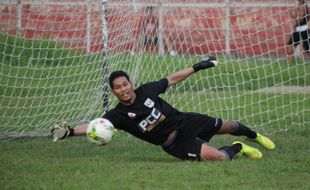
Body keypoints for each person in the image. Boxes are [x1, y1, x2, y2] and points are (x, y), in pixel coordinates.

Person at [51, 56, 275, 161]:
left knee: (229, 125)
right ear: (113, 92)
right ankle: (238, 147)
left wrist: (198, 67)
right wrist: (69, 131)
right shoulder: (116, 115)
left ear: (131, 84)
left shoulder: (147, 90)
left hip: (185, 121)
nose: (123, 89)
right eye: (117, 88)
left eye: (125, 84)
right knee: (220, 158)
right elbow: (94, 127)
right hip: (174, 144)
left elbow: (172, 78)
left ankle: (253, 135)